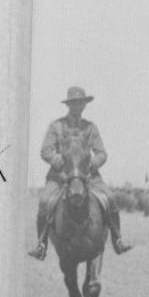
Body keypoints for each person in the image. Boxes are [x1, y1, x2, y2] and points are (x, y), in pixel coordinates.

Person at [28, 86, 133, 260]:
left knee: (110, 198)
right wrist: (59, 162)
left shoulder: (90, 128)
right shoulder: (56, 126)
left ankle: (118, 239)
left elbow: (101, 153)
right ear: (69, 105)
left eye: (81, 103)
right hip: (59, 176)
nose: (78, 106)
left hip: (88, 176)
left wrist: (94, 162)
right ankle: (41, 244)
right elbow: (46, 150)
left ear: (84, 105)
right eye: (75, 103)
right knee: (45, 201)